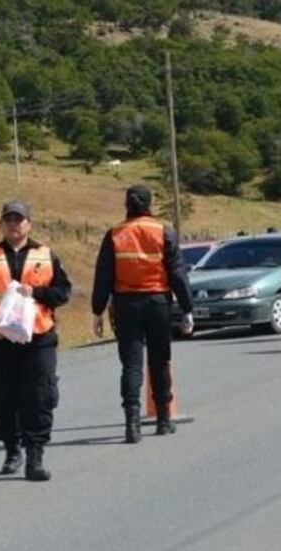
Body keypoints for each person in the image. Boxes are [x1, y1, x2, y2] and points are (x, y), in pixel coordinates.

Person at [0, 201, 71, 481]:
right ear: (1, 224)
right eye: (8, 219)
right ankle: (12, 448)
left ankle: (35, 456)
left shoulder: (46, 256)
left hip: (38, 339)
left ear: (29, 224)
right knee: (1, 398)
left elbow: (63, 293)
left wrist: (37, 293)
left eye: (19, 219)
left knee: (39, 396)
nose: (13, 224)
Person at [91, 185, 194, 444]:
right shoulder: (163, 231)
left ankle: (132, 425)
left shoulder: (114, 234)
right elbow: (177, 273)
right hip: (158, 302)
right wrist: (187, 308)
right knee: (160, 361)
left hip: (126, 305)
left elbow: (104, 276)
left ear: (126, 204)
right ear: (150, 204)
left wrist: (97, 310)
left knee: (131, 364)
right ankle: (163, 420)